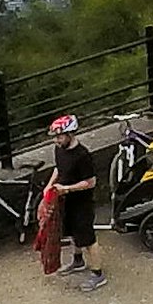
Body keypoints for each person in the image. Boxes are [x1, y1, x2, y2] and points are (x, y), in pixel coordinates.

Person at [43, 115, 105, 291]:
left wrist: (67, 188)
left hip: (82, 203)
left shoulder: (82, 155)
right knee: (71, 232)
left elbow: (90, 182)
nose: (56, 140)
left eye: (60, 136)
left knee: (88, 238)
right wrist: (49, 186)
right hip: (66, 200)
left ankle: (98, 273)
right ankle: (78, 261)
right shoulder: (59, 149)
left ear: (70, 134)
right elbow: (58, 168)